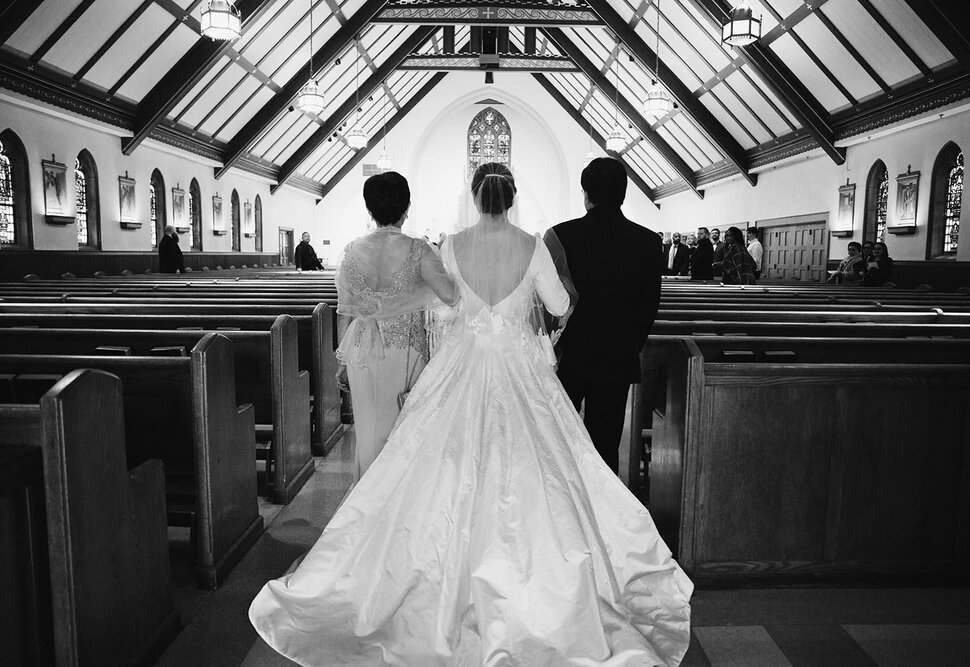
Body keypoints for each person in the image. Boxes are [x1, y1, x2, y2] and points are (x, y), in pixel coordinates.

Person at [249, 162, 693, 665]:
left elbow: (443, 309)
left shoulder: (452, 245)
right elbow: (558, 301)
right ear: (513, 197)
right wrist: (548, 305)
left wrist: (473, 313)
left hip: (463, 365)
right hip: (518, 367)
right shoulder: (534, 245)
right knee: (543, 461)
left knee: (440, 458)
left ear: (476, 198)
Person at [334, 172, 455, 477]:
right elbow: (450, 295)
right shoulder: (419, 249)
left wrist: (341, 360)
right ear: (406, 207)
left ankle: (365, 496)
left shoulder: (350, 251)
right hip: (404, 349)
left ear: (370, 210)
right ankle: (392, 501)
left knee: (367, 429)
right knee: (401, 428)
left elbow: (344, 311)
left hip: (359, 348)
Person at [548, 157, 663, 474]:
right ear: (624, 194)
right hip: (618, 358)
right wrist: (629, 347)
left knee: (563, 440)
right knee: (605, 444)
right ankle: (605, 514)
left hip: (570, 356)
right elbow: (649, 305)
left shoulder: (560, 236)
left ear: (585, 193)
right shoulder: (649, 243)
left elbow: (550, 302)